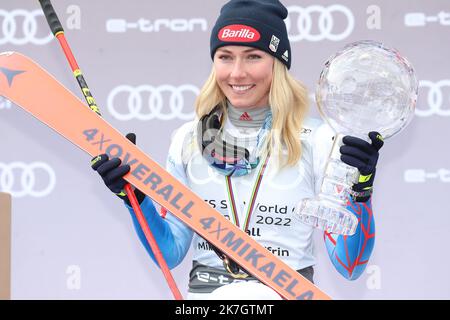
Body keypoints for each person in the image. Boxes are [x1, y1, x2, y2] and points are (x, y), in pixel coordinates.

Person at [91, 0, 384, 299]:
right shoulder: (188, 139)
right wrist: (136, 199)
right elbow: (169, 253)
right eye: (225, 57)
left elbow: (350, 266)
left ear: (277, 63)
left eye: (253, 57)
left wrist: (360, 191)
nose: (237, 73)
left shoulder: (317, 139)